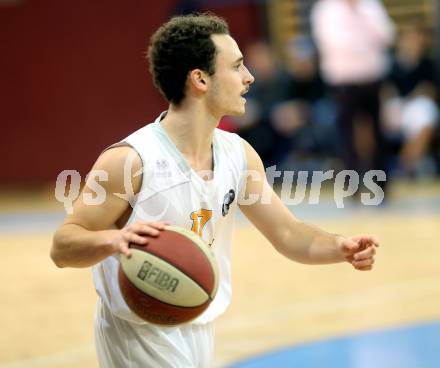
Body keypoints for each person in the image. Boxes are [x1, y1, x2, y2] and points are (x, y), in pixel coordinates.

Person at [50, 13, 379, 368]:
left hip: (196, 323)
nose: (249, 77)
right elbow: (63, 246)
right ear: (200, 79)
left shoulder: (238, 153)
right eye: (237, 66)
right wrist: (113, 242)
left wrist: (339, 246)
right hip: (138, 334)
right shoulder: (129, 160)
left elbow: (287, 232)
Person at [311, 0, 395, 192]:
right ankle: (352, 184)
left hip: (372, 77)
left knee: (378, 132)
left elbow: (387, 35)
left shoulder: (370, 6)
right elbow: (334, 43)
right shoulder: (327, 9)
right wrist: (364, 40)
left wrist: (362, 20)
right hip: (344, 81)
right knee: (347, 134)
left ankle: (381, 183)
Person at [381, 23, 439, 176]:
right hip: (396, 105)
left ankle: (404, 166)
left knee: (426, 116)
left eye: (418, 40)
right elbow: (385, 90)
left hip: (416, 105)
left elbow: (428, 91)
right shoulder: (391, 64)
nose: (414, 42)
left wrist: (411, 97)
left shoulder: (427, 65)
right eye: (411, 39)